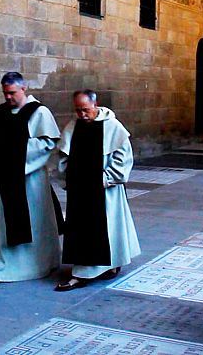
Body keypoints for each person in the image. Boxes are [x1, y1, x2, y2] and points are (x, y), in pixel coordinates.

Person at [0, 72, 63, 282]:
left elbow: (48, 143)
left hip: (29, 180)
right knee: (2, 224)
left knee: (33, 221)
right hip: (4, 179)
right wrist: (2, 156)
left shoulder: (39, 113)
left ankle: (36, 265)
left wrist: (13, 154)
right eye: (5, 93)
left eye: (12, 93)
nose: (8, 97)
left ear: (23, 89)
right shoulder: (0, 113)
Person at [55, 89, 140, 291]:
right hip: (79, 191)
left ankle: (104, 267)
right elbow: (63, 155)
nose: (82, 115)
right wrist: (68, 177)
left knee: (107, 229)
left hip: (104, 191)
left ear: (95, 105)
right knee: (80, 230)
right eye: (78, 111)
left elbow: (123, 157)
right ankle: (82, 271)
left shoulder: (112, 127)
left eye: (85, 110)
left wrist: (105, 178)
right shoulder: (73, 126)